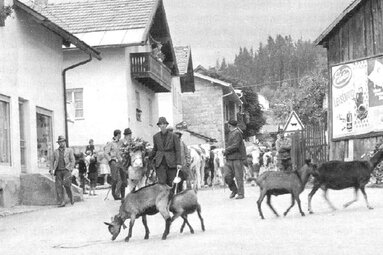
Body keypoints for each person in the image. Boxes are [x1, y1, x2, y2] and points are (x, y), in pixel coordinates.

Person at [149, 117, 182, 190]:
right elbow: (155, 149)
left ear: (166, 125)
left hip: (171, 163)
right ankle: (164, 200)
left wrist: (179, 163)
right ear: (159, 126)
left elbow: (177, 150)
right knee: (162, 183)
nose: (162, 125)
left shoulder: (173, 136)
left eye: (164, 124)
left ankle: (171, 199)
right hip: (160, 163)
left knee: (171, 183)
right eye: (161, 124)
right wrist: (149, 157)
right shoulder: (156, 136)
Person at [223, 119, 247, 200]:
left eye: (228, 125)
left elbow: (236, 145)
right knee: (227, 176)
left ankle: (241, 193)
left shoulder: (237, 133)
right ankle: (234, 189)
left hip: (237, 158)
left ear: (229, 125)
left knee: (238, 177)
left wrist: (226, 150)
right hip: (229, 158)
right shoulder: (231, 133)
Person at [50, 135, 75, 207]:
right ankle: (61, 202)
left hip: (66, 170)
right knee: (59, 186)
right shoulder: (55, 152)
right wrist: (51, 170)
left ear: (65, 142)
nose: (61, 143)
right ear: (58, 143)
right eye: (60, 142)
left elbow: (72, 160)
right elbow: (51, 161)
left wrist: (70, 168)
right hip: (58, 171)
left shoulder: (69, 150)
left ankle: (71, 197)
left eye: (63, 142)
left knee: (67, 184)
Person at [105, 129, 124, 200]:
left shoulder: (121, 143)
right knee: (116, 179)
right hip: (113, 162)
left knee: (119, 179)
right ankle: (115, 194)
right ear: (118, 134)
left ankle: (116, 194)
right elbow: (106, 153)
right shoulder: (110, 143)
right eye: (120, 134)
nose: (121, 135)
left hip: (120, 162)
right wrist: (111, 160)